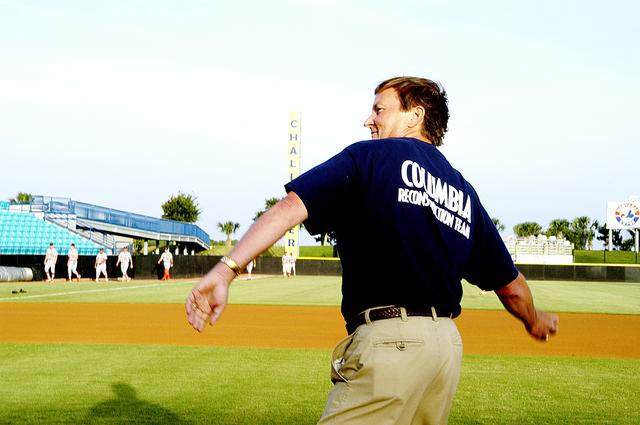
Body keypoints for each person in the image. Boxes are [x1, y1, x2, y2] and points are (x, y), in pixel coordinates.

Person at [186, 76, 559, 425]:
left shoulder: (371, 157)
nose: (369, 120)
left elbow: (290, 208)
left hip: (391, 342)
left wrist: (226, 269)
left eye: (380, 109)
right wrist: (533, 319)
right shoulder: (463, 191)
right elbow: (510, 285)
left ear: (415, 116)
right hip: (445, 349)